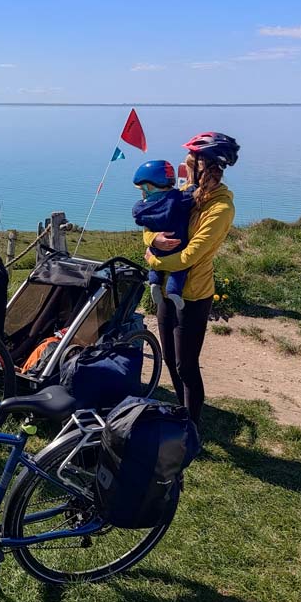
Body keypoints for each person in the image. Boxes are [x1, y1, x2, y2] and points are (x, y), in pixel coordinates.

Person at [141, 132, 239, 427]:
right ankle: (181, 414)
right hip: (168, 291)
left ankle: (191, 427)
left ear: (204, 166)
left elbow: (190, 256)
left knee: (186, 366)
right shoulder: (186, 190)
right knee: (170, 358)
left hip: (194, 295)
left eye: (190, 162)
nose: (184, 168)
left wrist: (154, 259)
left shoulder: (221, 209)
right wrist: (153, 237)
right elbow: (153, 218)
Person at [131, 160, 195, 310]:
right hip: (178, 245)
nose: (141, 192)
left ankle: (154, 282)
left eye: (142, 188)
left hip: (156, 248)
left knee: (155, 266)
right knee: (179, 270)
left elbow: (139, 218)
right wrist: (193, 185)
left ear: (149, 186)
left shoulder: (142, 208)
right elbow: (191, 195)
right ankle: (174, 291)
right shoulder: (177, 199)